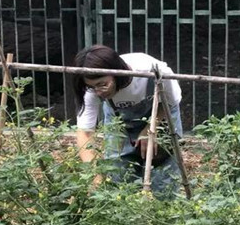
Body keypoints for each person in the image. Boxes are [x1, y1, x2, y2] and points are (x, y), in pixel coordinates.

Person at [72, 45, 183, 195]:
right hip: (119, 118)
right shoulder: (91, 90)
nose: (98, 91)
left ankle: (166, 211)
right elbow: (85, 133)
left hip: (162, 112)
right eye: (92, 87)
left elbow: (170, 102)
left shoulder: (152, 71)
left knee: (164, 174)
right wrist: (94, 175)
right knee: (118, 172)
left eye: (102, 84)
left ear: (116, 74)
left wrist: (151, 128)